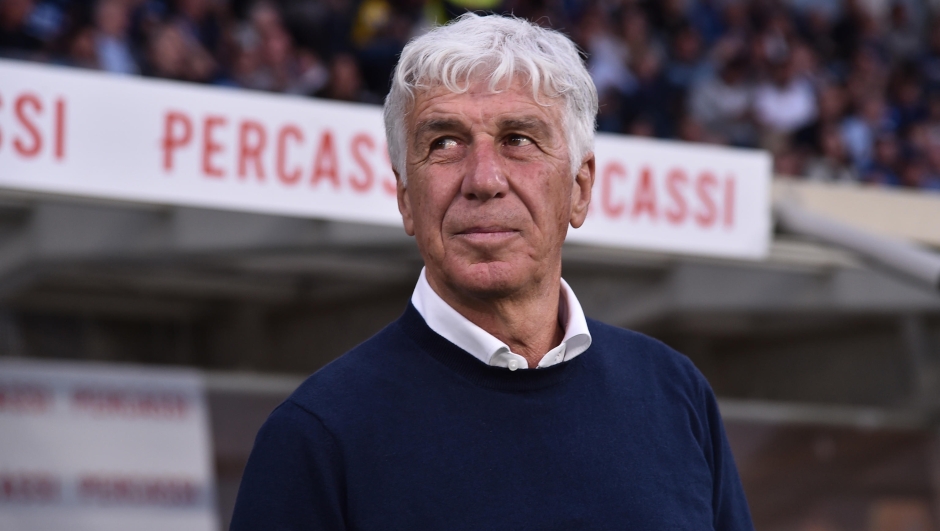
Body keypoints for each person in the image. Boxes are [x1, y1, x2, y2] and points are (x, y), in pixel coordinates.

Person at [230, 13, 754, 530]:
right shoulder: (317, 437)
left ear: (579, 188)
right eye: (444, 143)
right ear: (406, 198)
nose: (484, 179)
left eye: (519, 139)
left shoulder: (675, 395)